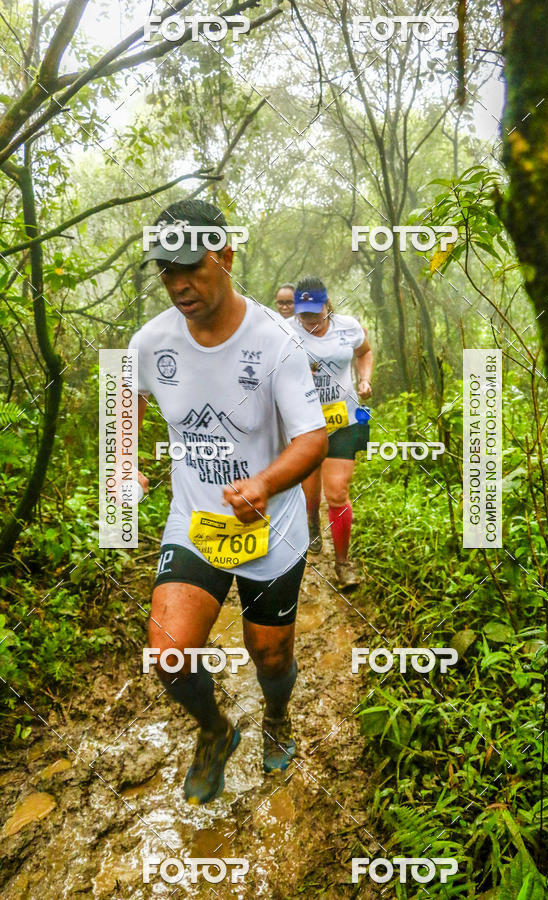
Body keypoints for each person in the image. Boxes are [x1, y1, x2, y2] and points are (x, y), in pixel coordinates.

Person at [130, 199, 327, 805]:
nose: (178, 284)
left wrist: (264, 484)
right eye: (166, 270)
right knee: (167, 655)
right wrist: (126, 466)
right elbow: (124, 409)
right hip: (196, 523)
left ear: (227, 257)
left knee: (270, 657)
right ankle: (215, 732)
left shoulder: (277, 341)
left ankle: (275, 715)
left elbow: (313, 436)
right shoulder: (149, 343)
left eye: (190, 267)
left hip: (272, 527)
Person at [289, 276, 373, 590]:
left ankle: (342, 563)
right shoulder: (286, 331)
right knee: (310, 494)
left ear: (327, 304)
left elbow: (364, 352)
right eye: (303, 313)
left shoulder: (348, 327)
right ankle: (312, 523)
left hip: (343, 420)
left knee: (336, 491)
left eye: (315, 311)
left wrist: (364, 379)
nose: (309, 319)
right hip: (304, 422)